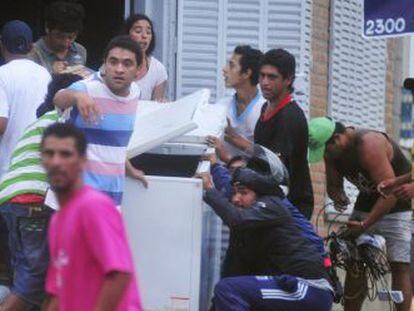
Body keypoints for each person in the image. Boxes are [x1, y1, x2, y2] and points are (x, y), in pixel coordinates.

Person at [308, 116, 412, 311]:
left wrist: (365, 225)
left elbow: (389, 195)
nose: (326, 156)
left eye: (326, 151)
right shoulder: (332, 152)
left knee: (399, 263)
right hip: (366, 201)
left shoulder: (368, 144)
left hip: (398, 201)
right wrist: (338, 196)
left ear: (337, 139)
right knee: (355, 262)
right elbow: (333, 186)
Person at [0, 74, 82, 311]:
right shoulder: (62, 122)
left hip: (11, 203)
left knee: (27, 277)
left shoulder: (39, 122)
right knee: (35, 281)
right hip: (33, 202)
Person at [198, 167, 333, 310]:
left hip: (308, 288)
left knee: (227, 289)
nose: (235, 199)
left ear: (259, 195)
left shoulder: (272, 205)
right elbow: (233, 273)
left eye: (243, 193)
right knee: (228, 288)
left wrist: (209, 190)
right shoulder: (246, 229)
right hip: (288, 287)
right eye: (234, 193)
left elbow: (236, 220)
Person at [41, 123, 142, 310]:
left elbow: (119, 274)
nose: (56, 162)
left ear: (83, 160)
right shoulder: (57, 220)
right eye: (49, 153)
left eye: (65, 154)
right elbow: (57, 291)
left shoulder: (93, 206)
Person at [53, 35, 147, 206]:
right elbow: (58, 98)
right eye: (113, 62)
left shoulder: (135, 92)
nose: (119, 69)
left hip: (111, 199)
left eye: (127, 64)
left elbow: (112, 143)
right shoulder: (88, 87)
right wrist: (77, 97)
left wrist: (129, 169)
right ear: (105, 64)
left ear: (139, 70)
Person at [226, 48, 314, 219]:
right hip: (269, 202)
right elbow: (264, 153)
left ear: (288, 80)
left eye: (272, 77)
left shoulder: (290, 117)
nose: (265, 82)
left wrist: (231, 164)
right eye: (262, 75)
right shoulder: (267, 107)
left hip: (289, 207)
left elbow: (275, 171)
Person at [0, 20, 51, 178]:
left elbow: (1, 124)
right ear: (31, 47)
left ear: (1, 45)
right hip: (40, 167)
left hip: (10, 171)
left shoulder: (2, 74)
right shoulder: (44, 74)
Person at [209, 45, 265, 162]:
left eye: (231, 65)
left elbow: (268, 157)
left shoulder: (264, 110)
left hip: (251, 178)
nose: (224, 69)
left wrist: (236, 140)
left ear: (246, 73)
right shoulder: (221, 106)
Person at [30, 1, 87, 75]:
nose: (65, 43)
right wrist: (50, 73)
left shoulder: (80, 51)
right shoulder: (32, 53)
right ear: (47, 28)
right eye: (59, 36)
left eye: (71, 37)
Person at [123, 13, 167, 101]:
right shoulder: (114, 63)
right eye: (138, 31)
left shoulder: (158, 69)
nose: (144, 36)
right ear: (127, 35)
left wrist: (162, 102)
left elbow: (157, 106)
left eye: (148, 32)